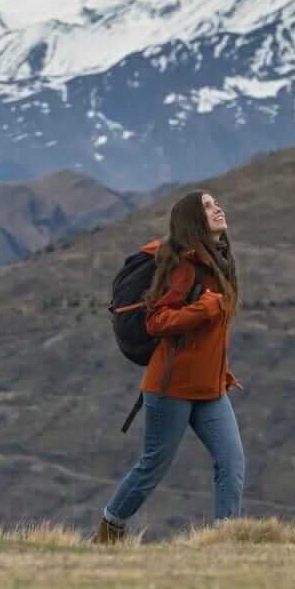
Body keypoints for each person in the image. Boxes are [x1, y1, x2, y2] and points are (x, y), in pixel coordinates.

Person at [94, 190, 244, 542]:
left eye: (216, 202)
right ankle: (110, 529)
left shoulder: (218, 263)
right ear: (194, 220)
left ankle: (226, 540)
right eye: (207, 207)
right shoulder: (182, 266)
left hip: (209, 389)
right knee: (153, 466)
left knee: (232, 463)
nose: (218, 207)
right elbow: (156, 321)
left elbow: (212, 334)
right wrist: (204, 309)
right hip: (170, 387)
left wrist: (221, 370)